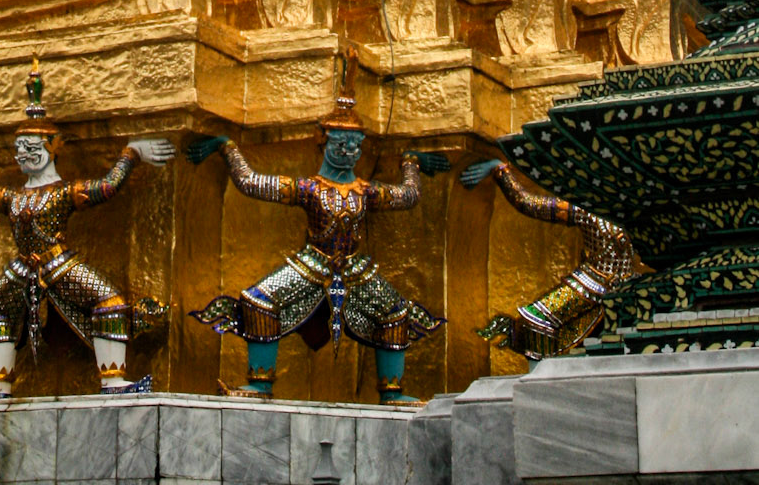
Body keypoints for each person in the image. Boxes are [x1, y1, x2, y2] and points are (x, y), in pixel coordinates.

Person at [187, 58, 448, 403]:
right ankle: (260, 384)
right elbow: (251, 183)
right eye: (341, 144)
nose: (350, 152)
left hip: (355, 269)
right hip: (312, 264)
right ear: (323, 142)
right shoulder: (310, 189)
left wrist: (412, 163)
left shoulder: (365, 191)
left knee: (396, 312)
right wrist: (227, 147)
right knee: (258, 300)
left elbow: (408, 196)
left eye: (355, 146)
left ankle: (392, 392)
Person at [0, 61, 174, 398]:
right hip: (22, 267)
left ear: (52, 148)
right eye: (19, 151)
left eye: (31, 148)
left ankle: (112, 380)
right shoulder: (12, 195)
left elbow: (107, 187)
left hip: (58, 264)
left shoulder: (64, 192)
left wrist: (131, 153)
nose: (23, 156)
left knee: (110, 303)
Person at [462, 154, 639, 358]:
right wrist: (501, 171)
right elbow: (527, 202)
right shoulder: (585, 210)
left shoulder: (636, 210)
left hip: (627, 285)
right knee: (534, 322)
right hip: (592, 282)